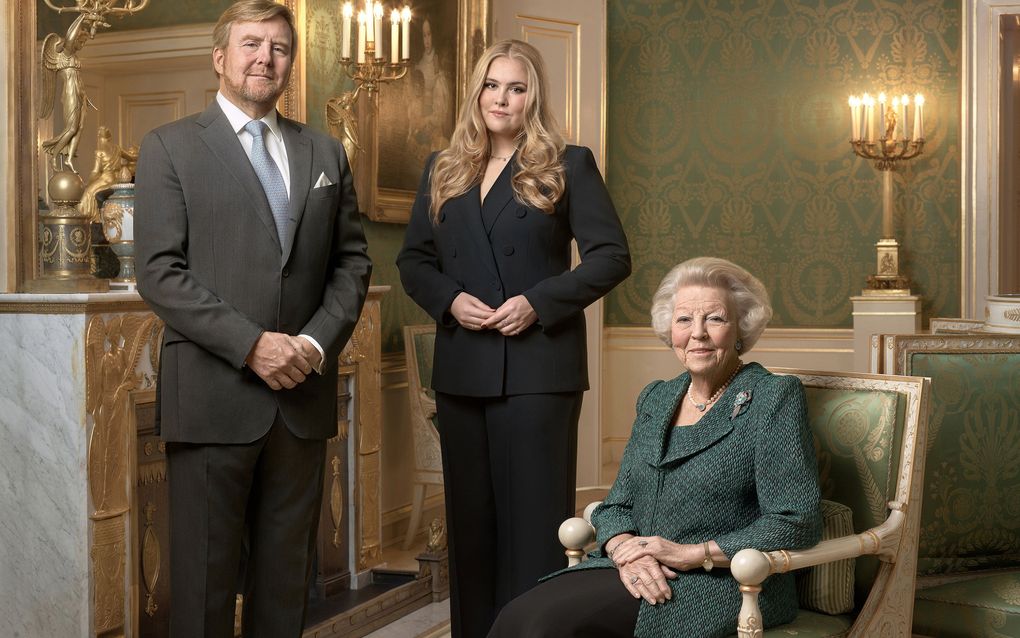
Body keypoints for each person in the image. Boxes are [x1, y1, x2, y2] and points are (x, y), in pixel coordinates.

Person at [133, 2, 372, 636]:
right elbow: (160, 272)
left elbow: (351, 265)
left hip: (301, 399)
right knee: (204, 589)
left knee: (287, 586)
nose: (265, 57)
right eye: (250, 44)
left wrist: (313, 347)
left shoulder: (325, 152)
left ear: (292, 62)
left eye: (279, 47)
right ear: (220, 58)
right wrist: (252, 346)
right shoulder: (169, 147)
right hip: (213, 398)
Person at [397, 39, 632, 638]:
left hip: (539, 370)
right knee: (471, 529)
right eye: (492, 86)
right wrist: (449, 299)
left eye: (517, 87)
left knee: (534, 527)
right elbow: (415, 262)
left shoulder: (568, 163)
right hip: (463, 371)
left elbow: (611, 257)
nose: (502, 99)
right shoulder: (442, 168)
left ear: (534, 96)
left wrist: (539, 302)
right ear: (476, 93)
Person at [488, 257, 823, 638]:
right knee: (517, 615)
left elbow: (797, 519)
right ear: (669, 330)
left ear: (741, 329)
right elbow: (615, 506)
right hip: (634, 571)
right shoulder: (657, 398)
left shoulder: (773, 397)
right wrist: (622, 549)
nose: (697, 333)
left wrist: (690, 554)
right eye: (684, 320)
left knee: (547, 627)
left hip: (724, 582)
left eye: (715, 319)